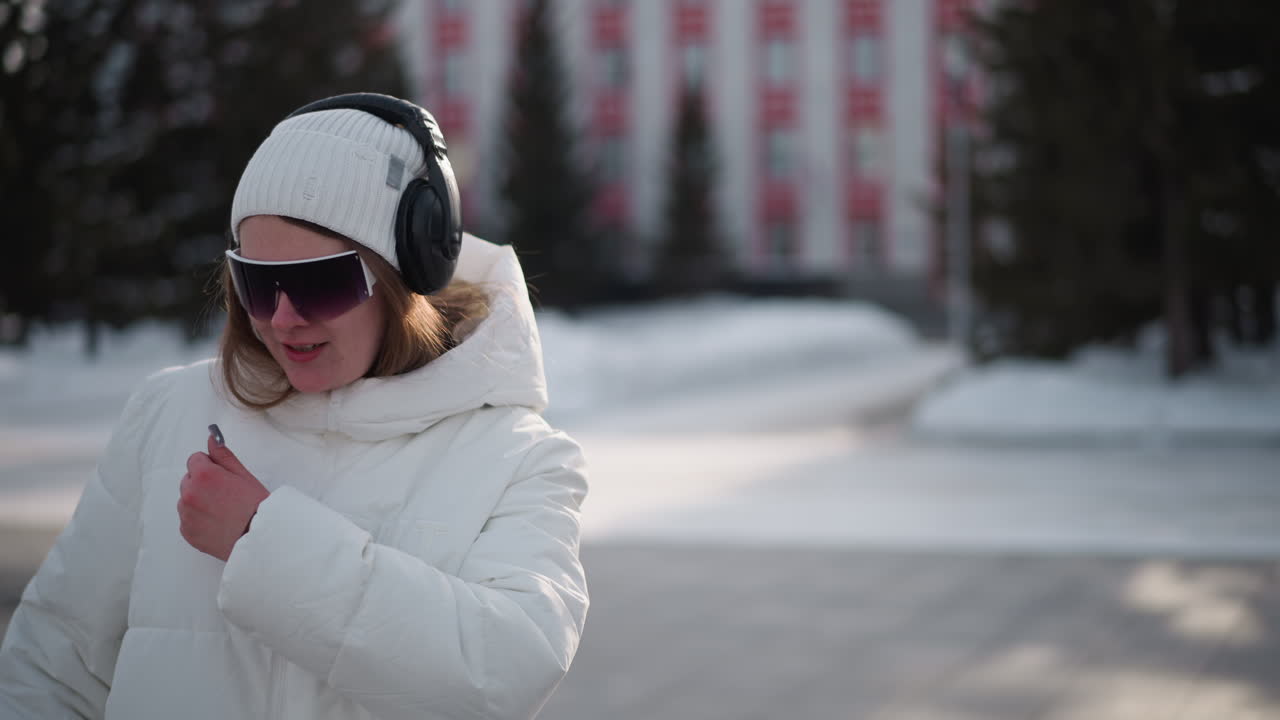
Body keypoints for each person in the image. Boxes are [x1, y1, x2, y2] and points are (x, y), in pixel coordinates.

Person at [0, 93, 589, 719]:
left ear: (403, 280)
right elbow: (50, 669)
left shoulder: (519, 457)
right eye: (256, 282)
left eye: (318, 282)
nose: (282, 318)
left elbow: (506, 671)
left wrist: (264, 540)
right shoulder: (170, 413)